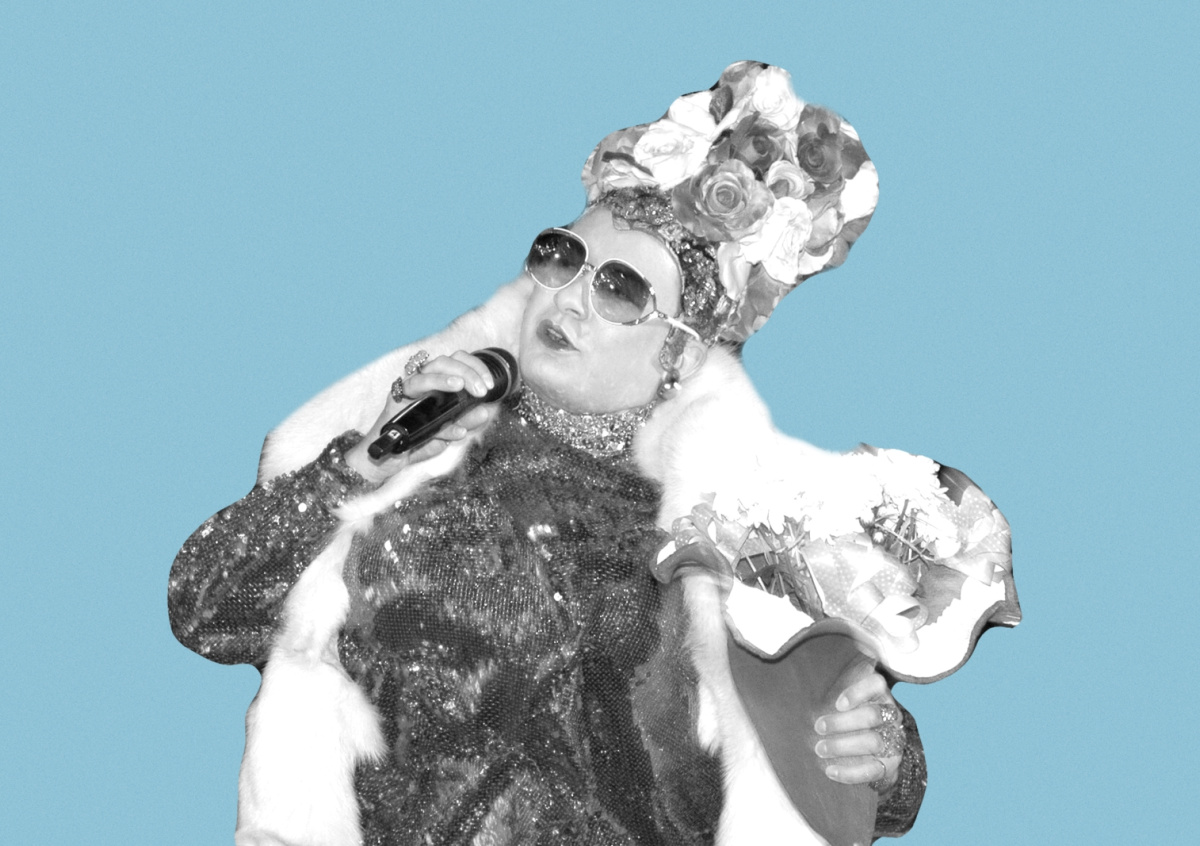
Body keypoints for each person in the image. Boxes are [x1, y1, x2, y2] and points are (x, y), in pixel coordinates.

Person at [170, 62, 1017, 846]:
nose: (571, 297)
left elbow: (830, 735)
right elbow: (207, 606)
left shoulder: (719, 537)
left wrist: (883, 748)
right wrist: (363, 466)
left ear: (680, 354)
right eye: (562, 256)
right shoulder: (416, 456)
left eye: (619, 289)